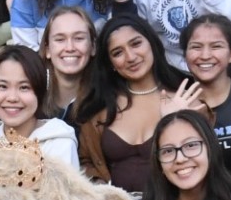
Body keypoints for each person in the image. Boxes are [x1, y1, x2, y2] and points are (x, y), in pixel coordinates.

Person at [75, 17, 178, 190]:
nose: (130, 57)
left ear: (151, 43)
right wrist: (100, 188)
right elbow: (87, 162)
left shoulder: (184, 96)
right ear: (111, 64)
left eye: (136, 44)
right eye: (117, 52)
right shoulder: (98, 109)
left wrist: (179, 120)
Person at [0, 43, 80, 167]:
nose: (12, 98)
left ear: (40, 91)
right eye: (3, 86)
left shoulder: (59, 144)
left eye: (24, 87)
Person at [178, 14, 231, 166]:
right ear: (185, 55)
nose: (205, 55)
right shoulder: (176, 108)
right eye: (196, 47)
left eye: (216, 46)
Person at [40, 5, 97, 123]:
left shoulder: (106, 97)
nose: (70, 48)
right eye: (60, 39)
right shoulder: (31, 92)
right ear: (47, 50)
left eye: (79, 38)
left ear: (93, 47)